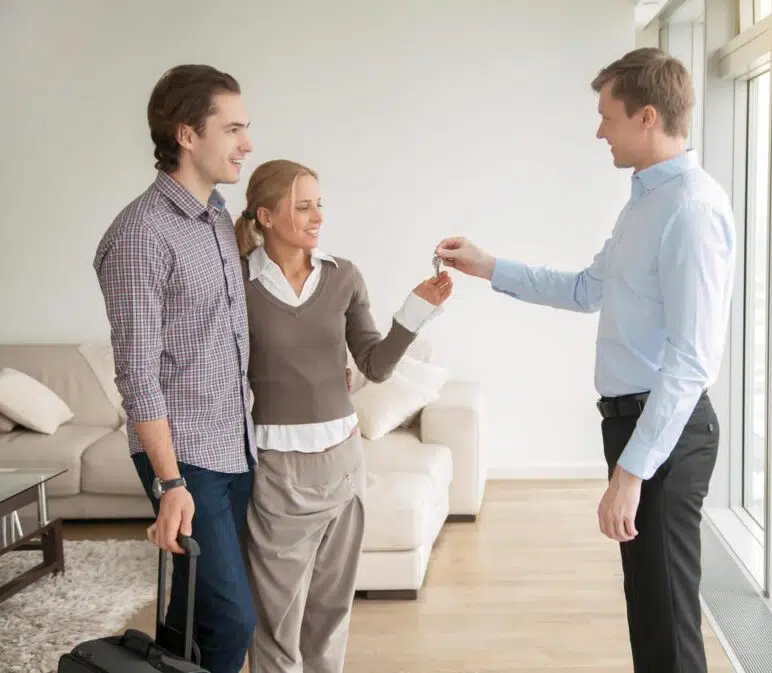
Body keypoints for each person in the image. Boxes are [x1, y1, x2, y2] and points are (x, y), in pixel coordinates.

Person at [434, 47, 735, 673]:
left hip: (664, 434)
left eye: (608, 117)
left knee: (668, 617)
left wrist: (632, 471)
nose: (599, 131)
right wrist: (488, 266)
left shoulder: (690, 208)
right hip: (634, 426)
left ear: (646, 116)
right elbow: (585, 288)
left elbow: (691, 359)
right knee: (649, 606)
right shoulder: (646, 202)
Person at [234, 159, 453, 673]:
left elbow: (374, 364)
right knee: (276, 618)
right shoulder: (237, 285)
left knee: (330, 612)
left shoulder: (342, 276)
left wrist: (414, 312)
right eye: (302, 206)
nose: (317, 217)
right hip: (277, 470)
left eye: (319, 204)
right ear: (264, 216)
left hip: (344, 464)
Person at [93, 64, 257, 673]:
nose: (247, 142)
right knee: (233, 617)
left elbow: (224, 335)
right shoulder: (141, 233)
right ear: (188, 134)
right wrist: (169, 483)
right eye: (234, 128)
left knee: (192, 614)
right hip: (186, 458)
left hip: (233, 444)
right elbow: (137, 371)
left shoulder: (216, 217)